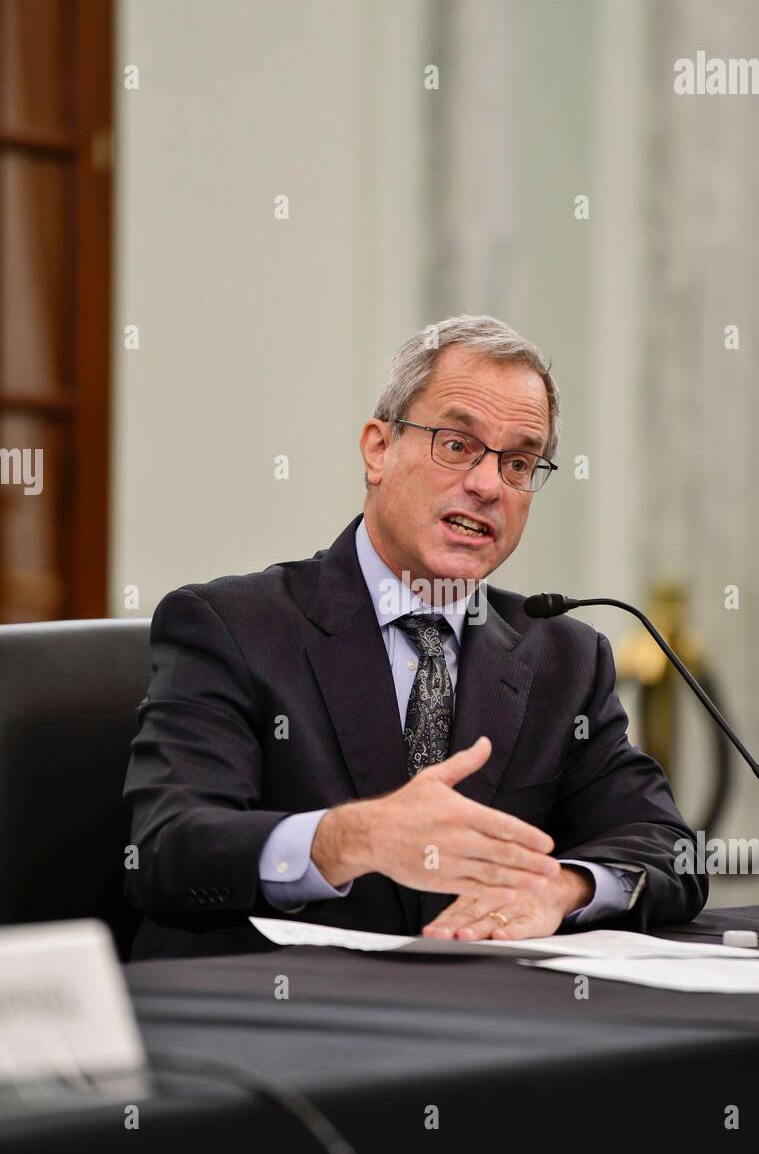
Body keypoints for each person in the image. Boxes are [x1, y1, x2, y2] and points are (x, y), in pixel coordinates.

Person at [124, 315, 703, 959]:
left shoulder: (564, 658)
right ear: (378, 448)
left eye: (518, 462)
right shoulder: (230, 626)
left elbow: (669, 849)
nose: (487, 486)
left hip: (483, 1031)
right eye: (456, 445)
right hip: (278, 1022)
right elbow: (164, 850)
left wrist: (562, 888)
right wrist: (347, 839)